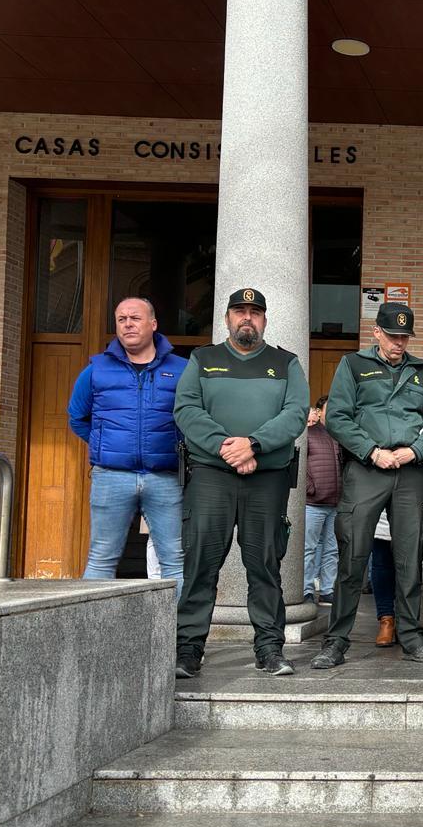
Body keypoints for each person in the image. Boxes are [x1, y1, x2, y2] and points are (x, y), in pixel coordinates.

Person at [173, 289, 309, 678]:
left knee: (264, 566)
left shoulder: (285, 363)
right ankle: (188, 651)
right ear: (227, 317)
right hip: (211, 477)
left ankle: (269, 649)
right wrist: (225, 448)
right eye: (239, 311)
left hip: (266, 479)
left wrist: (253, 445)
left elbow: (296, 412)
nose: (247, 318)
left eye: (255, 312)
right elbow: (185, 409)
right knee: (201, 565)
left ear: (265, 319)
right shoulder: (203, 359)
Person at [312, 302, 423, 669]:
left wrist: (414, 451)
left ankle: (411, 637)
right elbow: (337, 417)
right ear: (377, 332)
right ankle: (336, 641)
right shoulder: (353, 366)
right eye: (392, 336)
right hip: (366, 469)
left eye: (404, 337)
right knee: (353, 556)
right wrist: (372, 452)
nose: (399, 343)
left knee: (409, 558)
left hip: (408, 472)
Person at [67, 298, 188, 600]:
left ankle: (177, 638)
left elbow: (193, 418)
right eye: (121, 319)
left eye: (135, 318)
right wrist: (104, 443)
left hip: (166, 477)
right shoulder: (96, 369)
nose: (128, 324)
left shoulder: (183, 369)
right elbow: (77, 417)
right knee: (100, 559)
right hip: (111, 476)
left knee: (174, 560)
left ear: (153, 324)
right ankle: (91, 637)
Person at [303, 396, 340, 604]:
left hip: (336, 502)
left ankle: (327, 590)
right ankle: (306, 590)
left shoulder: (340, 435)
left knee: (332, 550)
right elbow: (300, 464)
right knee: (307, 549)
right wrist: (310, 488)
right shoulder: (308, 433)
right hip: (313, 503)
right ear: (319, 412)